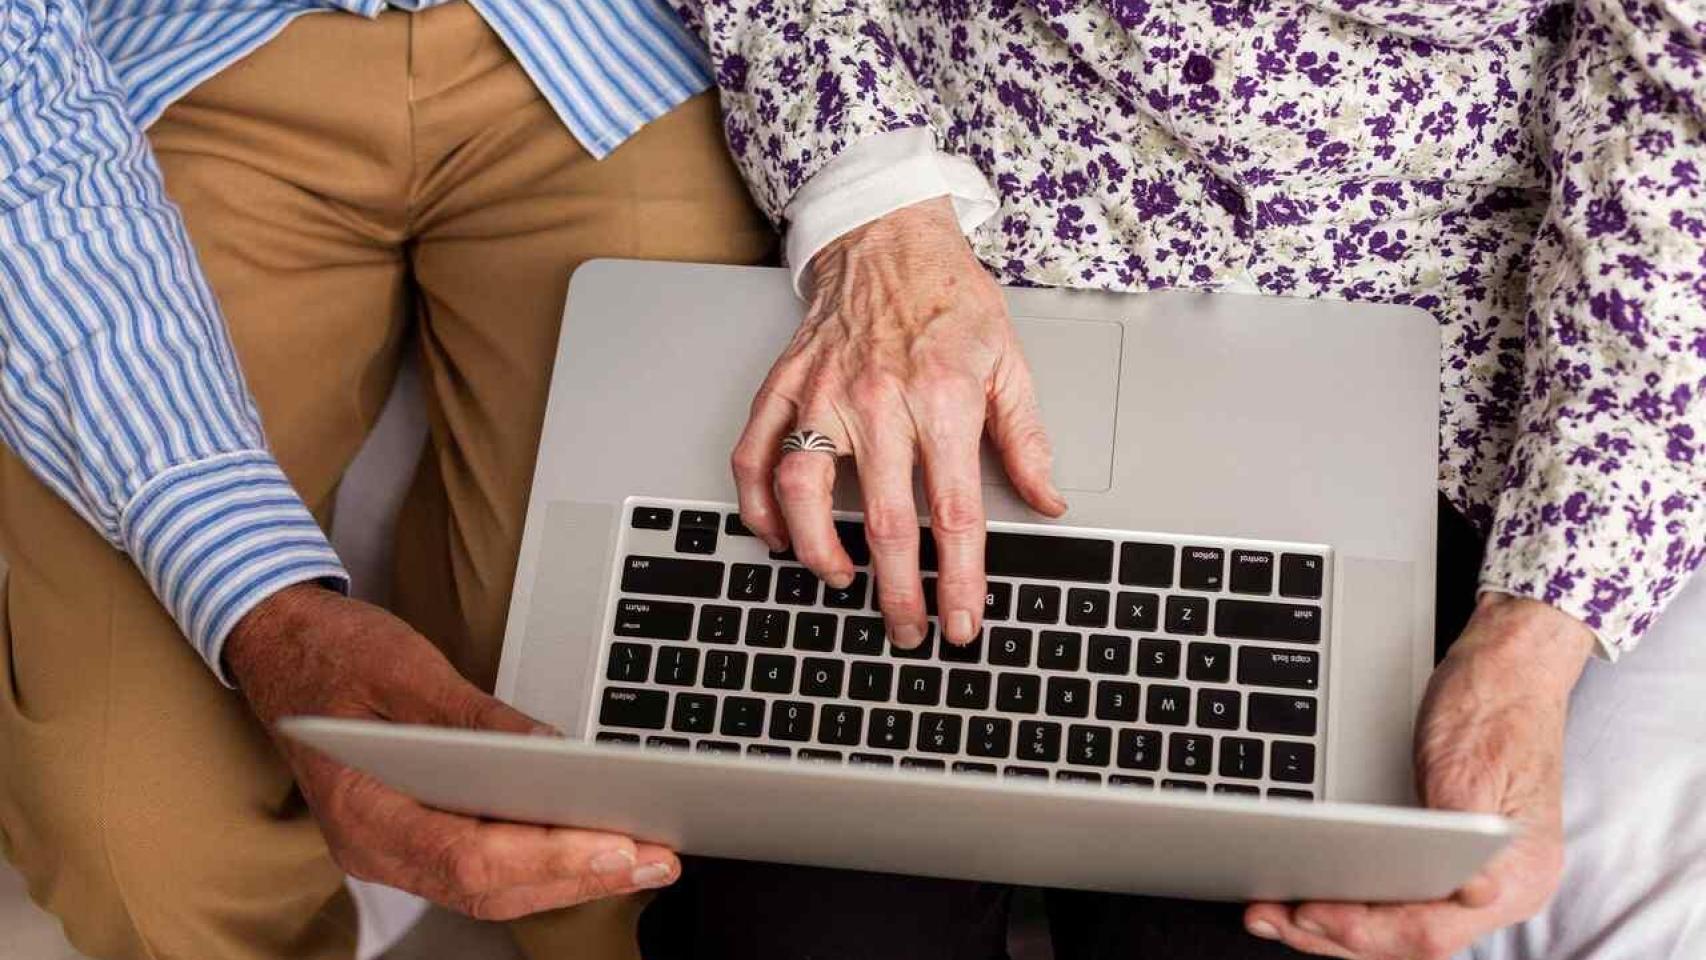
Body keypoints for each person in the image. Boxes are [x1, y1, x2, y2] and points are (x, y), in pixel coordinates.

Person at [641, 0, 1706, 957]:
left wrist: (1525, 655)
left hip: (1391, 369)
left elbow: (1666, 160)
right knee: (797, 930)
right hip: (935, 296)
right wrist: (876, 226)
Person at [0, 1, 770, 958]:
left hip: (628, 48)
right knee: (137, 838)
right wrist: (257, 602)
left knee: (643, 763)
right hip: (136, 74)